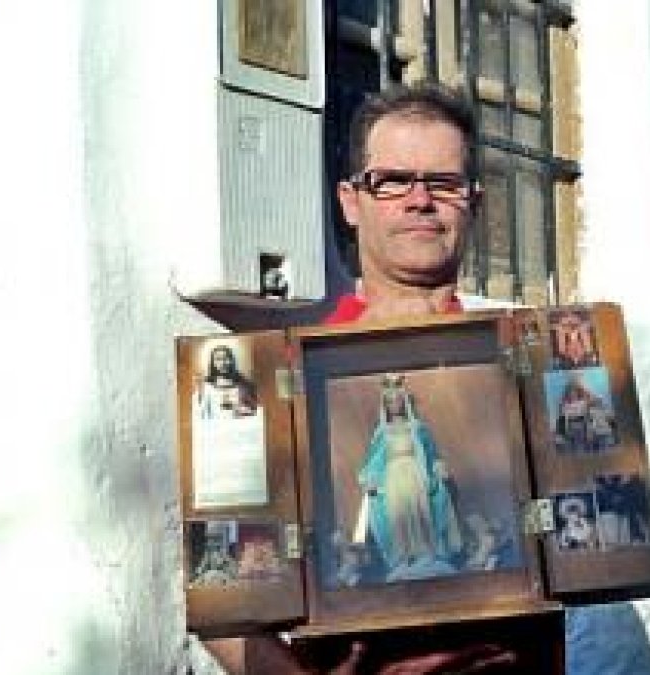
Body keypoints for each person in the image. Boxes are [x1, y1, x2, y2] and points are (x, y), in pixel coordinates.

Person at [205, 83, 521, 674]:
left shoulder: (519, 366)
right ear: (351, 202)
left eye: (444, 183)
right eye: (392, 180)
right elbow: (221, 599)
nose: (419, 200)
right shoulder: (286, 380)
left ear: (472, 202)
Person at [356, 373, 464, 581]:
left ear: (404, 402)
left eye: (397, 400)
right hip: (393, 479)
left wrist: (437, 469)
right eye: (389, 402)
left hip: (416, 475)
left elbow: (431, 453)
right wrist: (370, 480)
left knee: (420, 512)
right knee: (398, 516)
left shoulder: (417, 428)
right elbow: (373, 460)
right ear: (385, 405)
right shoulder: (382, 433)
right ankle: (404, 556)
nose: (394, 405)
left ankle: (425, 553)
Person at [196, 344, 258, 419]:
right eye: (218, 359)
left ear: (232, 360)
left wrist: (242, 409)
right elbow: (202, 413)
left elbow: (253, 410)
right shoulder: (207, 386)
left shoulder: (243, 384)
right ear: (213, 363)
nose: (222, 363)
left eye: (226, 359)